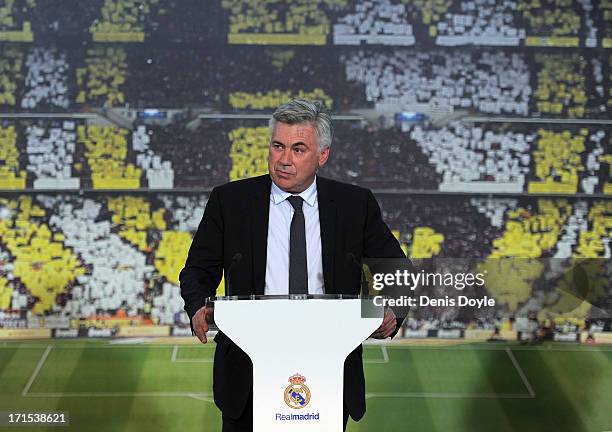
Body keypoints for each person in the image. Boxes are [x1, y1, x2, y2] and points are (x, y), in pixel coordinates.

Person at [180, 98, 407, 432]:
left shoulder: (355, 205)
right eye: (278, 146)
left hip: (328, 369)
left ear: (323, 155)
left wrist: (392, 310)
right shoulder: (230, 202)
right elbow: (198, 270)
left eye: (298, 149)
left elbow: (397, 270)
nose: (284, 160)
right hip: (249, 369)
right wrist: (198, 305)